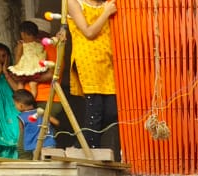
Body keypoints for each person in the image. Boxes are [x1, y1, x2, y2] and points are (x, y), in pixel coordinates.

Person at [67, 0, 119, 151]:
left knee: (112, 111)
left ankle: (80, 145)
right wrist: (106, 13)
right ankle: (90, 149)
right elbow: (88, 32)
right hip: (88, 60)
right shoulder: (74, 2)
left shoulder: (106, 3)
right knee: (95, 109)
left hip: (107, 60)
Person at [8, 21, 52, 97]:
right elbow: (44, 56)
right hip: (35, 70)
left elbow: (18, 56)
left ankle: (20, 98)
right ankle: (32, 100)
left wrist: (17, 67)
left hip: (23, 69)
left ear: (22, 34)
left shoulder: (22, 44)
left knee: (20, 83)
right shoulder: (40, 44)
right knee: (33, 84)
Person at [14, 89, 55, 160]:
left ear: (21, 105)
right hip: (49, 143)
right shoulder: (42, 111)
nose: (15, 106)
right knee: (49, 163)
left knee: (38, 164)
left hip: (35, 146)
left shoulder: (21, 117)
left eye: (15, 104)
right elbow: (56, 122)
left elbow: (22, 133)